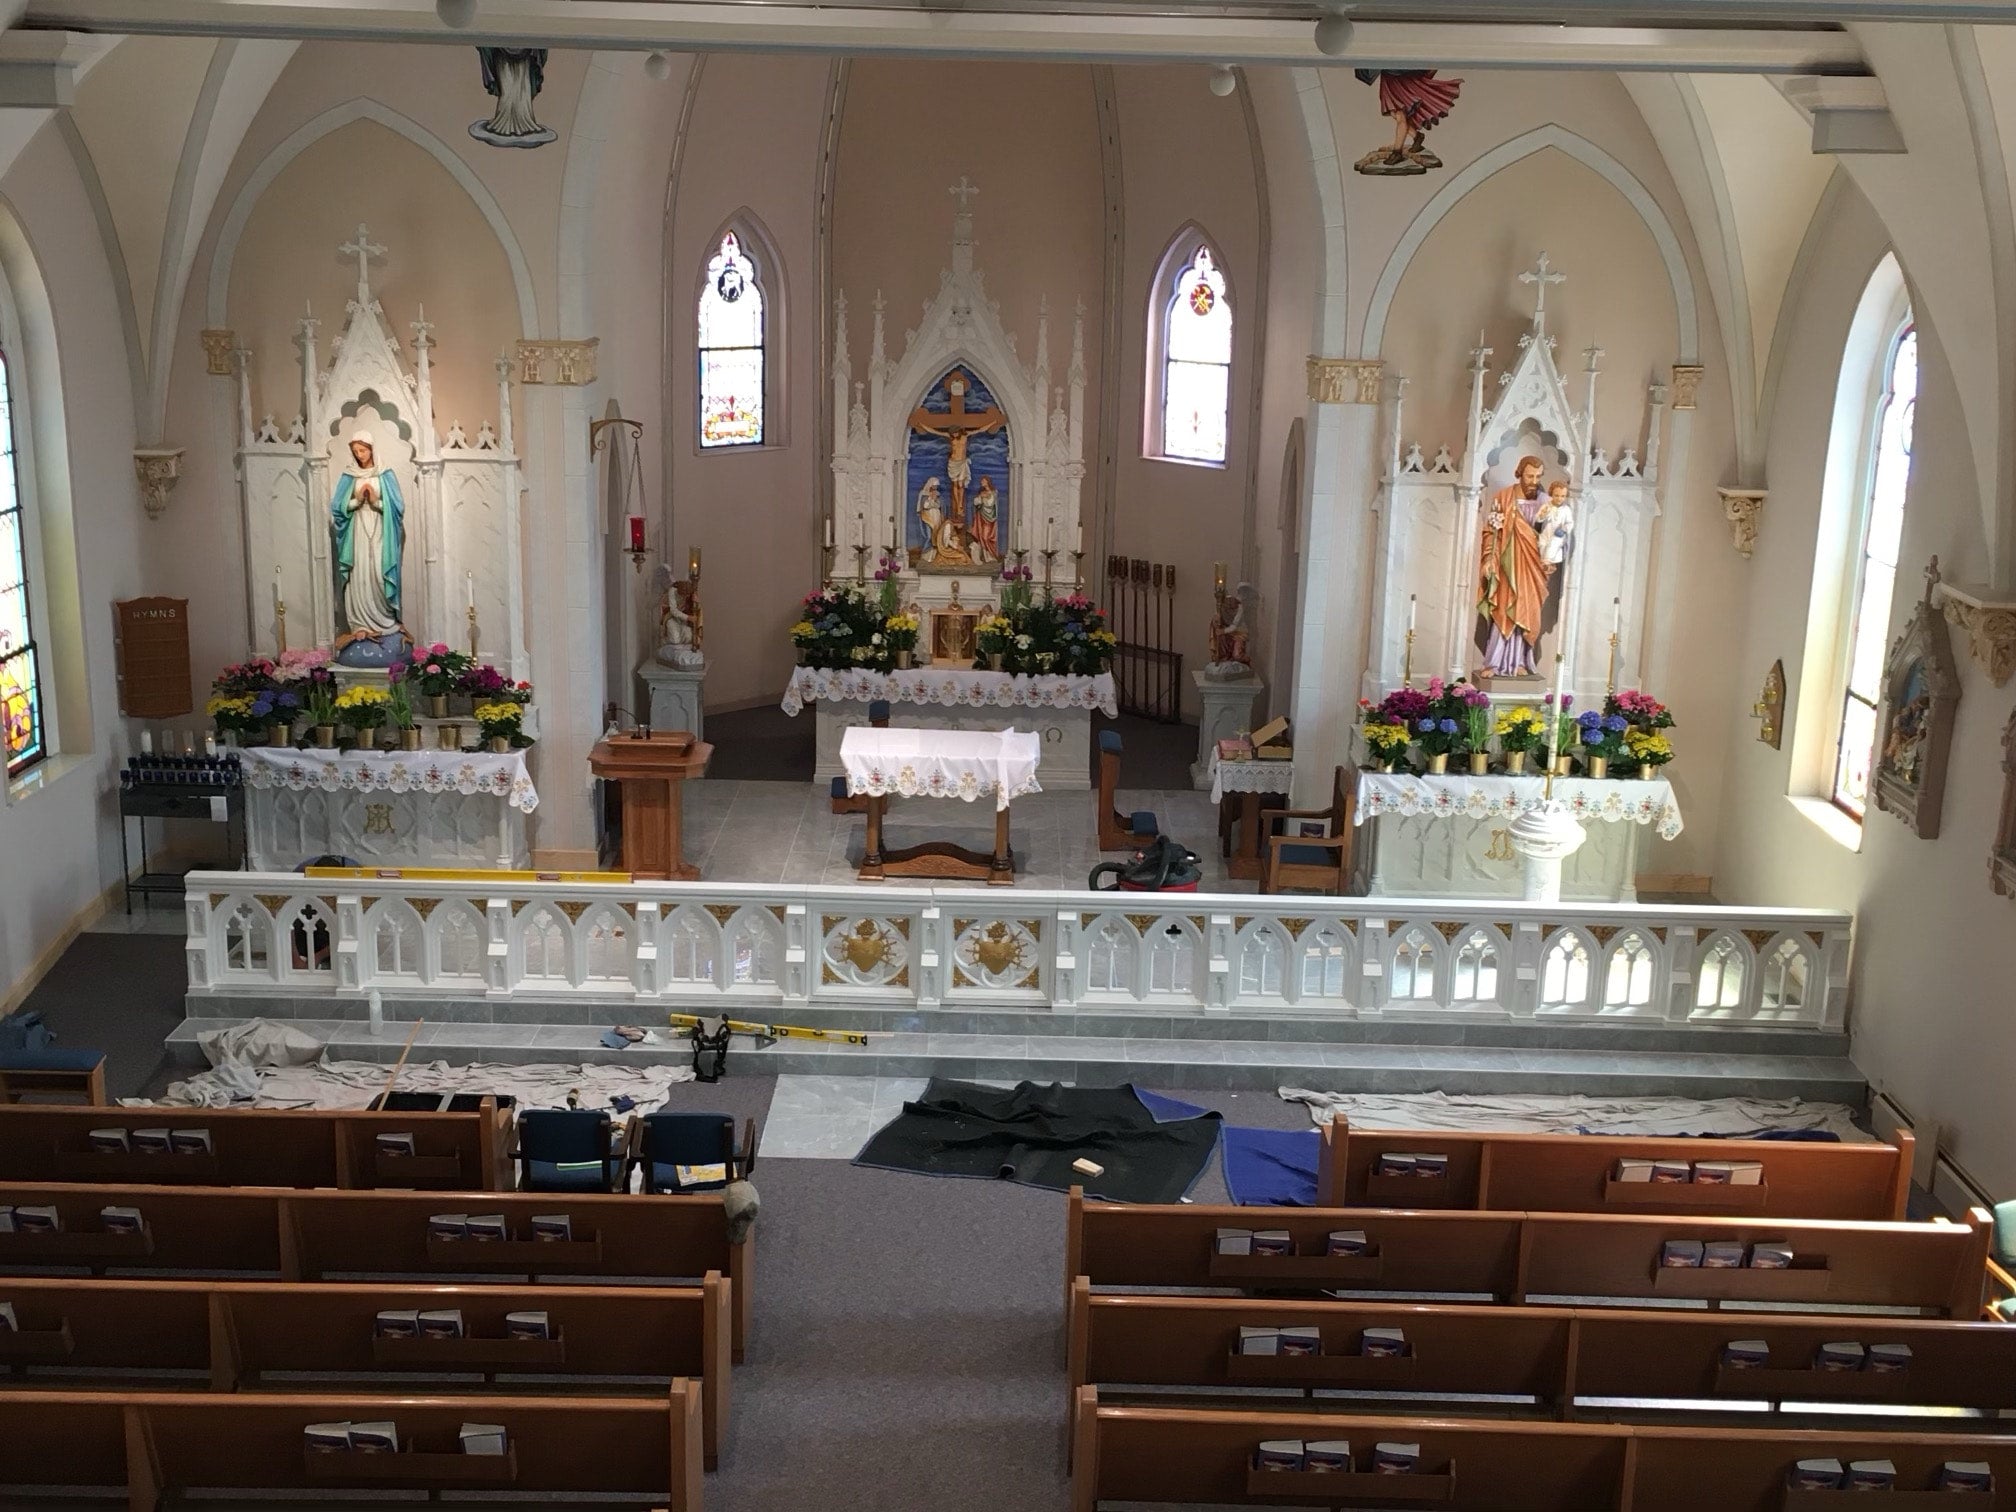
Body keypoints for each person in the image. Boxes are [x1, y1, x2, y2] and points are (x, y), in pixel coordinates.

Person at [1477, 455, 1555, 677]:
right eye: (1530, 476)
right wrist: (1489, 559)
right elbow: (1491, 533)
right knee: (1504, 609)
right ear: (1519, 473)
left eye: (1538, 477)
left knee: (1526, 611)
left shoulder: (1545, 502)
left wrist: (1550, 557)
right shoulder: (1504, 497)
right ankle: (1494, 662)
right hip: (1507, 565)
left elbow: (1553, 536)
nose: (1534, 481)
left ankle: (1520, 661)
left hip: (1532, 567)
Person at [330, 431, 406, 646]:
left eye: (363, 450)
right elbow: (336, 507)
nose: (359, 455)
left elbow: (398, 508)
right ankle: (360, 625)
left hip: (381, 530)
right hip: (357, 533)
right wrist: (355, 501)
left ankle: (384, 621)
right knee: (359, 574)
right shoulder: (349, 475)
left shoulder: (385, 474)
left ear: (372, 449)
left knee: (378, 574)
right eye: (355, 451)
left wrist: (375, 502)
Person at [1536, 479, 1575, 567]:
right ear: (1551, 494)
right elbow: (1538, 519)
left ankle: (1547, 561)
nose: (1559, 499)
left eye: (1562, 496)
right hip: (1546, 532)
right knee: (1543, 545)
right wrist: (1542, 515)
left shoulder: (1566, 510)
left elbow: (1570, 523)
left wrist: (1564, 529)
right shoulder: (1546, 506)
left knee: (1553, 544)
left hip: (1558, 534)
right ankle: (1544, 562)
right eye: (1556, 495)